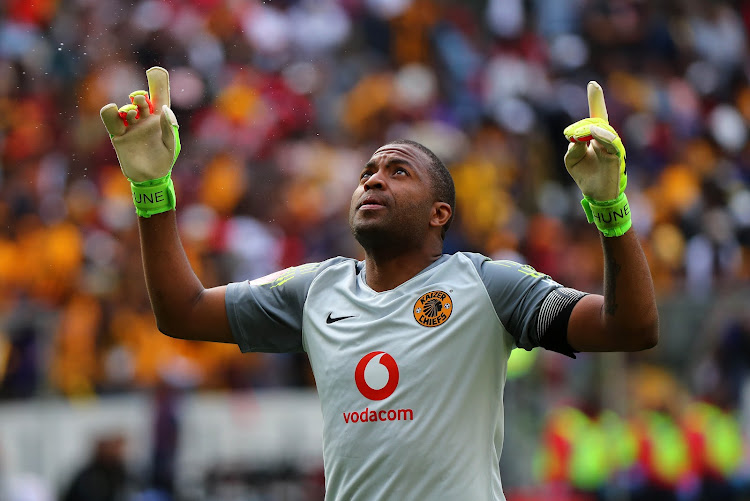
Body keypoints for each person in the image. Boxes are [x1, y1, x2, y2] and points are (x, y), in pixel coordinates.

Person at [100, 67, 658, 501]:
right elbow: (182, 311)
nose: (373, 179)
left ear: (440, 213)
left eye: (398, 171)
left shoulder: (488, 285)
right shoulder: (315, 291)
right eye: (368, 171)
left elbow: (631, 326)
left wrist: (609, 207)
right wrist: (153, 189)